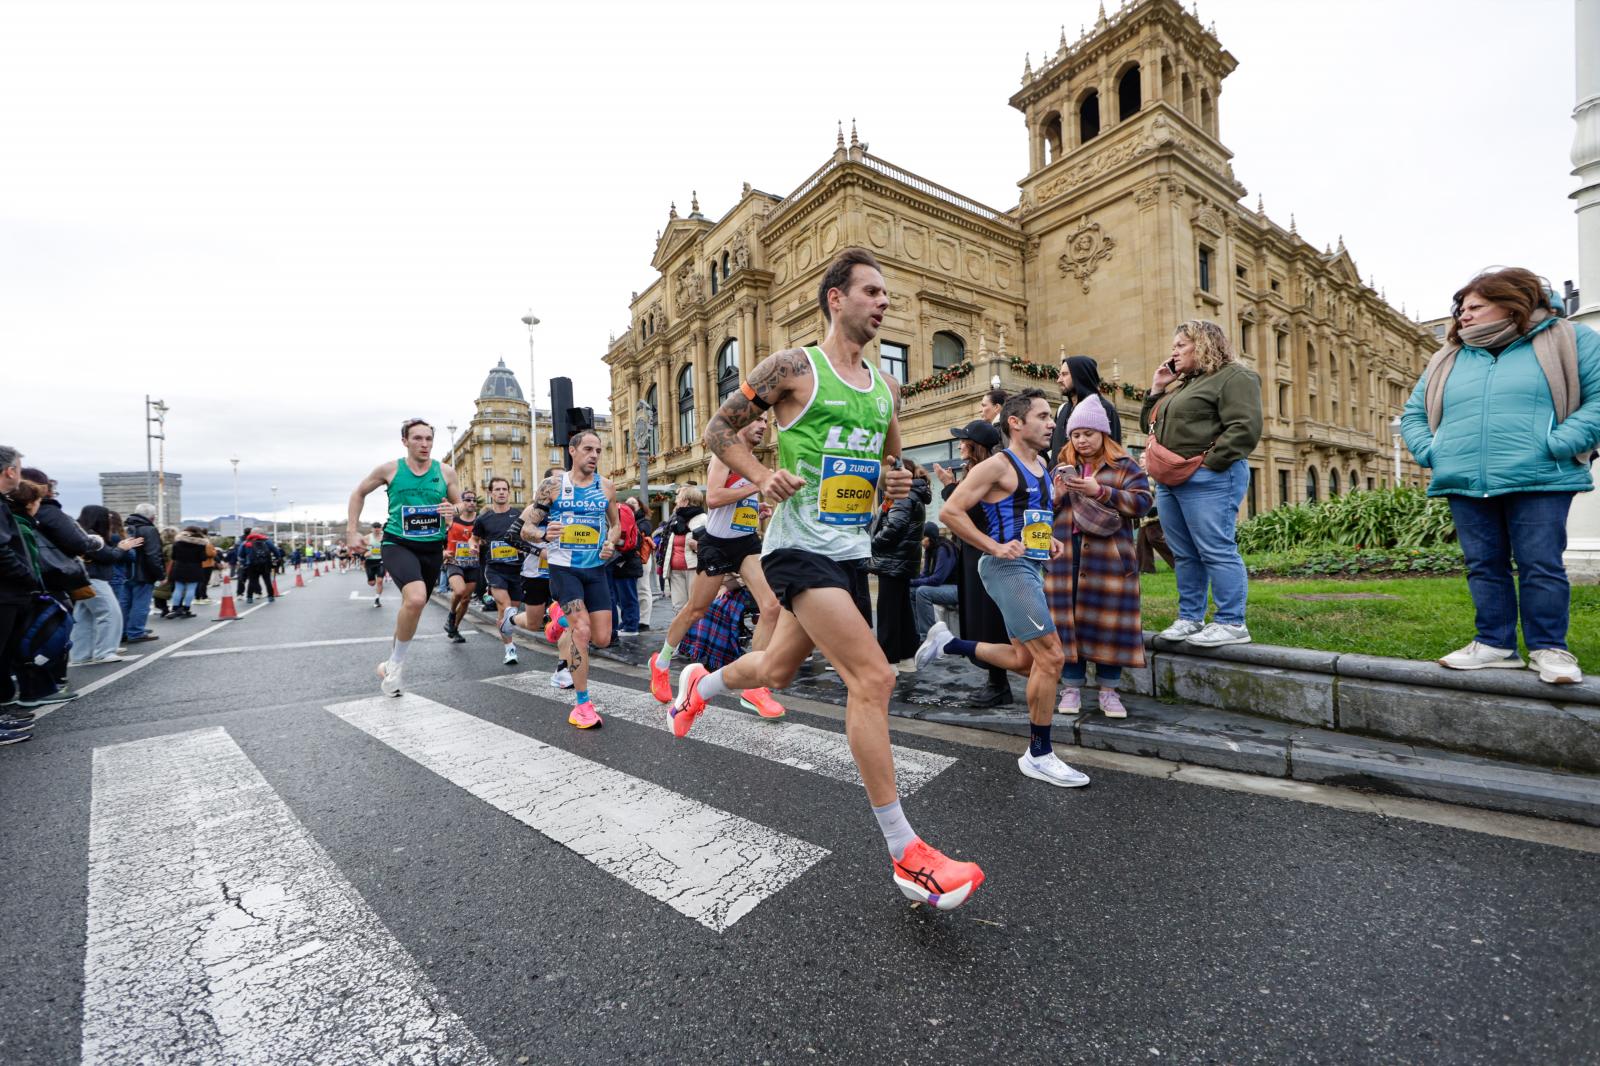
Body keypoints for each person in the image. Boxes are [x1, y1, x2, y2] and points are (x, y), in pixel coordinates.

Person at [671, 247, 984, 909]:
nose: (883, 303)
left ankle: (702, 682)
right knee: (872, 679)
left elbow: (888, 464)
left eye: (886, 295)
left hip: (848, 549)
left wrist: (896, 482)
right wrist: (760, 477)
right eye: (871, 291)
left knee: (776, 671)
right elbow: (719, 429)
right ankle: (907, 855)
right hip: (794, 547)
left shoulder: (885, 388)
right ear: (835, 299)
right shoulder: (792, 368)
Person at [1400, 267, 1600, 684]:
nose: (1463, 317)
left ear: (1512, 303)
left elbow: (1597, 400)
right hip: (1465, 476)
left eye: (1475, 307)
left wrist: (1557, 443)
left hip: (1540, 475)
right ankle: (1494, 644)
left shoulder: (1570, 339)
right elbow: (1414, 414)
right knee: (1483, 565)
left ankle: (1550, 649)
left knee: (1540, 564)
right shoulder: (1448, 357)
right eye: (1461, 309)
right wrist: (1432, 451)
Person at [921, 389, 1090, 790]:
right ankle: (1039, 753)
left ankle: (948, 644)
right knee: (1052, 656)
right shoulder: (998, 465)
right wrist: (994, 546)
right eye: (1043, 416)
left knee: (1025, 660)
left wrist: (1045, 539)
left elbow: (1028, 515)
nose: (1052, 424)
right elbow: (950, 511)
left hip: (1029, 565)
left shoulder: (1042, 463)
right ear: (1015, 422)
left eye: (1052, 417)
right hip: (1005, 569)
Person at [646, 417, 786, 719]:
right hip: (718, 544)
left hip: (746, 542)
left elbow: (737, 503)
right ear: (740, 425)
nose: (763, 425)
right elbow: (714, 497)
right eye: (757, 420)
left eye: (766, 420)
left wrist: (755, 510)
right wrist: (755, 487)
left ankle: (755, 687)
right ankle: (661, 663)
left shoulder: (753, 461)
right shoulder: (725, 454)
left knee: (772, 606)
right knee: (696, 609)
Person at [1139, 319, 1262, 648]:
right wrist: (1156, 389)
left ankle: (1231, 622)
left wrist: (1206, 466)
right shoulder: (1181, 386)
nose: (1174, 352)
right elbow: (1146, 424)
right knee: (1184, 553)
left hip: (1208, 477)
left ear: (1204, 344)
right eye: (1174, 346)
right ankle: (1190, 617)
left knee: (1215, 548)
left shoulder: (1235, 377)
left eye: (1181, 345)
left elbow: (1244, 429)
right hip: (1171, 480)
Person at [503, 429, 619, 728]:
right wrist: (543, 534)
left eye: (599, 450)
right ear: (572, 450)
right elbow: (525, 529)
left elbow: (615, 525)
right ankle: (582, 705)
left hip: (595, 570)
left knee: (603, 638)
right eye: (589, 449)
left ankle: (557, 621)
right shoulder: (553, 486)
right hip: (563, 569)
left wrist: (610, 544)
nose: (594, 455)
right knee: (581, 630)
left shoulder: (606, 487)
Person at [1046, 399, 1153, 718]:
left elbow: (1144, 503)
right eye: (1076, 434)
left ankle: (1109, 692)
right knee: (1068, 623)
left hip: (1109, 560)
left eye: (1088, 433)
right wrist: (1056, 498)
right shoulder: (1060, 469)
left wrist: (1100, 491)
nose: (1081, 440)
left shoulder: (1126, 467)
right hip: (1066, 558)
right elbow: (1043, 513)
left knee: (1108, 625)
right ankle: (1071, 688)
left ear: (1103, 434)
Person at [347, 417, 462, 697]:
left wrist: (454, 511)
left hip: (431, 547)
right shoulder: (390, 469)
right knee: (416, 598)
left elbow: (459, 505)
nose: (424, 444)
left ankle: (389, 664)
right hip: (398, 542)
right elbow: (359, 492)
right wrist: (352, 530)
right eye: (418, 438)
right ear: (405, 441)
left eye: (428, 439)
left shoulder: (445, 472)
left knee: (411, 607)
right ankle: (396, 666)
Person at [929, 421, 1015, 707]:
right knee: (980, 618)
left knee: (989, 620)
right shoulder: (975, 470)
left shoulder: (988, 470)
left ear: (976, 445)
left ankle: (998, 683)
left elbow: (975, 514)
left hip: (984, 555)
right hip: (973, 555)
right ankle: (994, 681)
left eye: (964, 441)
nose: (960, 445)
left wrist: (949, 487)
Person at [1, 449, 49, 735]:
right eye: (19, 467)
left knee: (4, 656)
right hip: (5, 592)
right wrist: (26, 576)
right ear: (10, 471)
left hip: (9, 593)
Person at [869, 458, 929, 669]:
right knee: (902, 610)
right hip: (901, 560)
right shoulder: (915, 495)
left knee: (888, 612)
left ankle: (889, 662)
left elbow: (895, 526)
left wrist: (872, 544)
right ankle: (906, 658)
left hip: (892, 560)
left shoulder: (902, 495)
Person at [71, 507, 141, 665]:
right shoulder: (94, 537)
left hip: (82, 578)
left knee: (83, 617)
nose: (109, 522)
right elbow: (108, 556)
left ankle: (80, 655)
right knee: (110, 613)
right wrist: (122, 548)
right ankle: (105, 651)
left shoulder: (80, 533)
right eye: (107, 518)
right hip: (96, 579)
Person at [476, 477, 527, 666]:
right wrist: (474, 546)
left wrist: (524, 546)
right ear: (490, 493)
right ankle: (510, 648)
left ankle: (508, 639)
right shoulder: (483, 519)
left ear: (509, 491)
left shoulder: (519, 515)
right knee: (505, 607)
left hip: (517, 570)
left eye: (504, 489)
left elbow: (527, 536)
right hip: (495, 569)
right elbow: (475, 539)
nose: (501, 492)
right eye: (497, 489)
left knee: (508, 612)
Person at [1048, 354, 1123, 460]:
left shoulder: (1105, 409)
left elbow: (1114, 455)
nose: (1059, 380)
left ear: (1080, 376)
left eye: (1064, 374)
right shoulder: (1062, 410)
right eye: (1059, 375)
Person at [120, 503, 165, 644]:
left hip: (126, 572)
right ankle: (136, 631)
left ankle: (123, 631)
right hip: (143, 573)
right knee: (141, 603)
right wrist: (160, 574)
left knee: (125, 603)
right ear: (152, 517)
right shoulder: (149, 530)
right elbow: (153, 555)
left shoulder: (127, 528)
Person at [909, 522, 959, 641]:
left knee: (922, 592)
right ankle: (917, 633)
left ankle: (928, 637)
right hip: (943, 587)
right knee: (911, 591)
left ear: (929, 537)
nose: (921, 542)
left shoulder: (944, 549)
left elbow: (937, 579)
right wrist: (911, 580)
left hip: (955, 589)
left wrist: (912, 582)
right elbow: (925, 574)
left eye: (922, 538)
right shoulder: (930, 550)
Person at [442, 490, 479, 643]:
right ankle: (451, 614)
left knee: (465, 600)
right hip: (454, 562)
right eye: (467, 500)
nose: (471, 502)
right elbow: (435, 535)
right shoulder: (451, 520)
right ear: (462, 502)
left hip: (473, 563)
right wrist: (442, 551)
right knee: (459, 590)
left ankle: (454, 628)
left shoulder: (480, 521)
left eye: (473, 500)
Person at [661, 485, 704, 610]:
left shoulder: (703, 519)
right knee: (679, 605)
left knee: (694, 605)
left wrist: (698, 546)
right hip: (675, 570)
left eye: (678, 498)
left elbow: (712, 546)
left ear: (686, 501)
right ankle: (683, 630)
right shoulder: (676, 519)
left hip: (694, 569)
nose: (675, 501)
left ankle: (695, 630)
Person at [607, 493, 642, 636]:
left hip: (624, 562)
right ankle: (627, 623)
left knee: (627, 596)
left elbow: (625, 541)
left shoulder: (619, 511)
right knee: (624, 596)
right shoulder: (623, 512)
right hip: (624, 561)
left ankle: (631, 627)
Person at [167, 526, 211, 619]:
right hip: (194, 569)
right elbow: (203, 558)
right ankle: (186, 609)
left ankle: (175, 609)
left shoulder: (178, 542)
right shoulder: (200, 544)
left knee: (178, 589)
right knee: (191, 589)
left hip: (179, 567)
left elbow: (174, 556)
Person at [630, 496, 655, 630]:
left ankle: (644, 621)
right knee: (633, 590)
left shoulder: (644, 522)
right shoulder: (625, 519)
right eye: (628, 503)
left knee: (643, 588)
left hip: (642, 558)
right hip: (630, 559)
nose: (631, 505)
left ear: (640, 506)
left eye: (633, 502)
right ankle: (636, 617)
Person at [362, 521, 386, 606]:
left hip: (381, 561)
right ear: (372, 529)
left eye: (378, 527)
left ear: (380, 528)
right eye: (375, 527)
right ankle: (371, 579)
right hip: (370, 562)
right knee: (372, 583)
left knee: (379, 581)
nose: (377, 529)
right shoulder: (367, 537)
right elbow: (361, 549)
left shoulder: (385, 536)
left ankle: (377, 599)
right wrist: (365, 553)